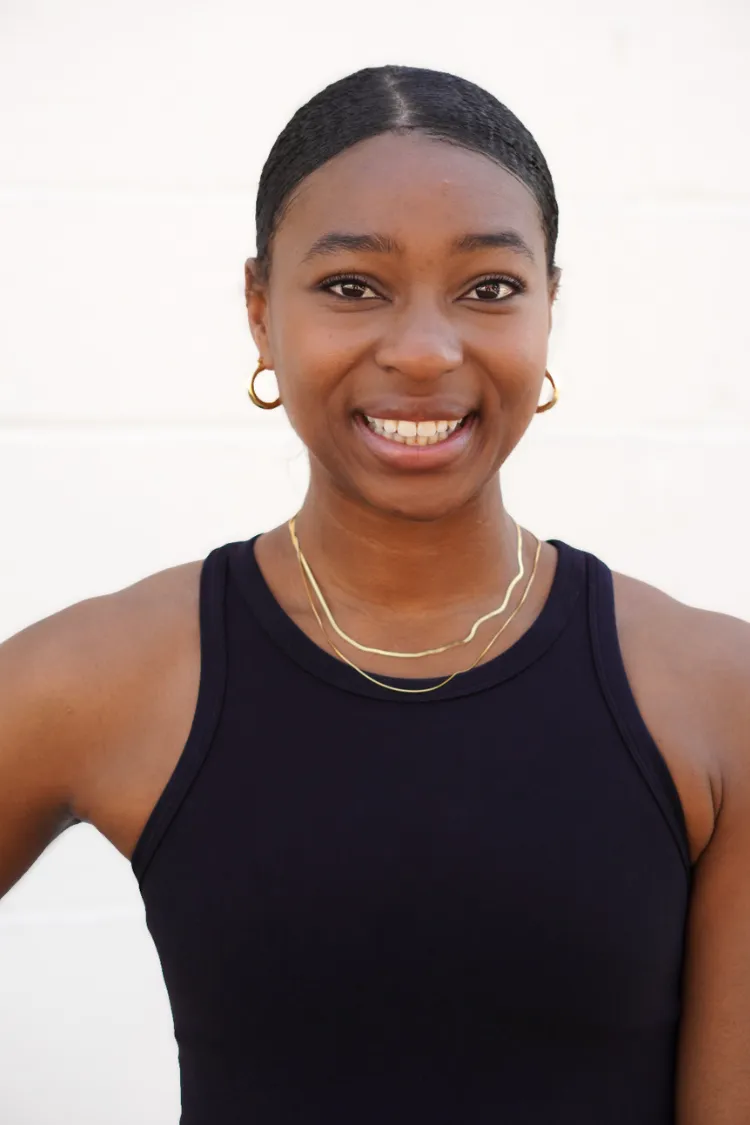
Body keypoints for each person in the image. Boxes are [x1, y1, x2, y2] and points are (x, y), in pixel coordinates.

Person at [1, 62, 748, 1125]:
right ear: (260, 310)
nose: (425, 350)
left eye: (490, 288)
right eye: (353, 287)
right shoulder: (102, 676)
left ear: (549, 310)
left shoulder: (719, 699)